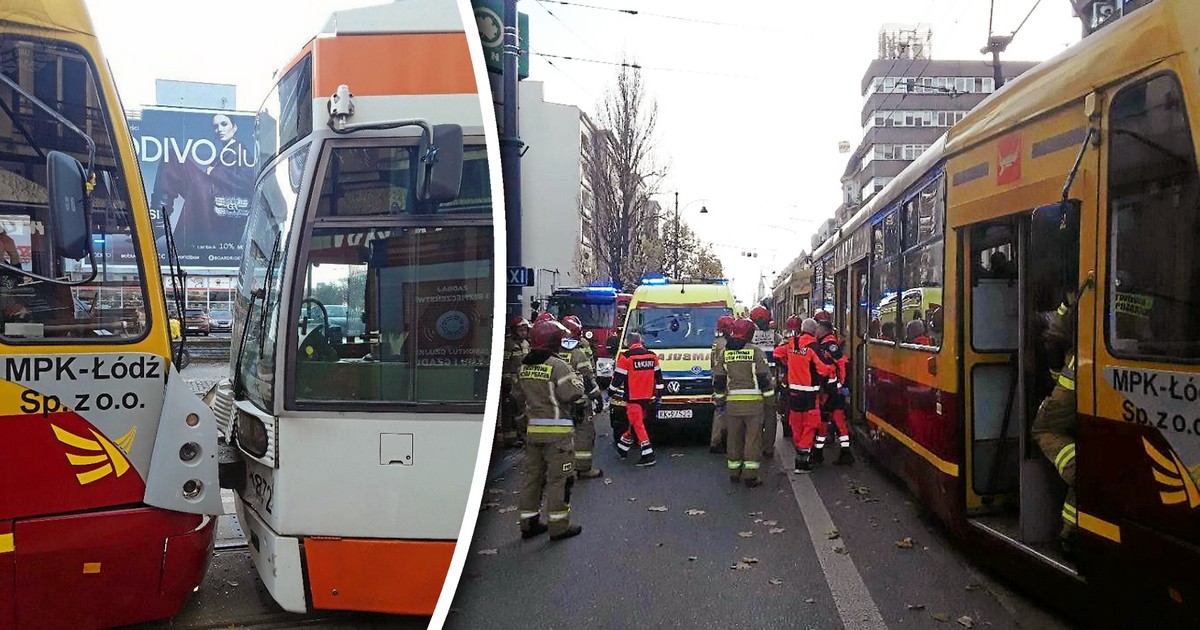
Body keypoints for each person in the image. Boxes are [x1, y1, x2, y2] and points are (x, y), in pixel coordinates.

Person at [513, 319, 585, 541]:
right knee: (559, 480)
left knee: (532, 478)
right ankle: (559, 526)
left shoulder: (524, 365)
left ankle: (528, 522)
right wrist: (579, 381)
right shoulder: (556, 365)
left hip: (533, 432)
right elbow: (571, 393)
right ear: (553, 341)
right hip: (558, 435)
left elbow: (517, 395)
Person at [1031, 295, 1081, 554]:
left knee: (1043, 429)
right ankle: (1071, 531)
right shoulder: (1140, 290)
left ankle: (1081, 472)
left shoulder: (1076, 294)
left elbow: (1053, 339)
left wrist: (1054, 377)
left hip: (1074, 380)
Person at [713, 318, 775, 486]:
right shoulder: (756, 352)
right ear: (750, 333)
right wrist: (770, 401)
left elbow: (719, 381)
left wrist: (720, 401)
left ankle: (734, 472)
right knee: (752, 440)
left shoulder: (724, 353)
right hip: (753, 406)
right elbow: (764, 379)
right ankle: (751, 476)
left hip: (732, 405)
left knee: (733, 439)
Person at [783, 318, 835, 472]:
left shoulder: (791, 343)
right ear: (814, 331)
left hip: (793, 393)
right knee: (811, 425)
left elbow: (778, 353)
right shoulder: (814, 347)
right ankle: (802, 461)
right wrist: (832, 367)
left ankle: (799, 451)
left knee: (796, 425)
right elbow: (823, 369)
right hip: (810, 395)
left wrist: (790, 364)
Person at [560, 315, 605, 479]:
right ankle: (584, 468)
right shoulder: (577, 354)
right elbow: (587, 379)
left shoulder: (552, 353)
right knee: (584, 433)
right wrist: (598, 397)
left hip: (559, 403)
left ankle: (563, 468)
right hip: (579, 402)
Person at [610, 331, 662, 467]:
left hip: (633, 398)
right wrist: (659, 394)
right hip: (648, 398)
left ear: (628, 343)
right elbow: (659, 377)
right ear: (640, 341)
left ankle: (648, 454)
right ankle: (622, 447)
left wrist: (609, 392)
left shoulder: (626, 357)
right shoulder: (652, 356)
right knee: (635, 424)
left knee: (638, 425)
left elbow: (617, 379)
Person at [815, 313, 853, 465]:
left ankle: (819, 453)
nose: (816, 331)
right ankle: (845, 452)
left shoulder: (830, 345)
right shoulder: (825, 343)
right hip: (832, 390)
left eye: (818, 329)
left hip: (831, 391)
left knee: (825, 420)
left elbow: (842, 364)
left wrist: (842, 385)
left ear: (823, 330)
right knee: (837, 420)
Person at [749, 305, 783, 456]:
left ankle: (754, 445)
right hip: (771, 382)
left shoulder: (748, 337)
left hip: (753, 382)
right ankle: (768, 447)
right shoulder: (776, 337)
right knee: (770, 416)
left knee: (755, 416)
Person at [499, 316, 530, 448]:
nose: (523, 333)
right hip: (512, 382)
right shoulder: (509, 344)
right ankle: (509, 438)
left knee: (522, 409)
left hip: (523, 382)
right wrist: (506, 381)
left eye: (525, 330)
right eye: (520, 330)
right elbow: (505, 363)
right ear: (514, 331)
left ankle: (521, 435)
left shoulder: (526, 344)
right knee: (510, 409)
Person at [709, 314, 735, 453]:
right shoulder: (725, 345)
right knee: (724, 411)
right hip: (724, 380)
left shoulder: (716, 342)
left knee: (719, 411)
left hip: (717, 379)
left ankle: (716, 441)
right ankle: (720, 441)